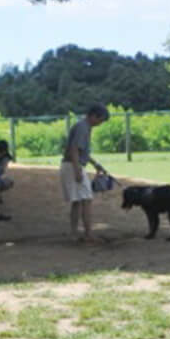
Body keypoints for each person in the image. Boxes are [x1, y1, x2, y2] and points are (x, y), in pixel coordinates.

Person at [60, 103, 110, 243]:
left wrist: (95, 164)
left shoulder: (83, 126)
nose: (100, 124)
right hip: (73, 166)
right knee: (87, 200)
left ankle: (74, 233)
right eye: (100, 120)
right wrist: (77, 170)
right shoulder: (83, 127)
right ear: (94, 116)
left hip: (71, 165)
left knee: (77, 201)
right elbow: (74, 149)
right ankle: (88, 234)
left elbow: (81, 151)